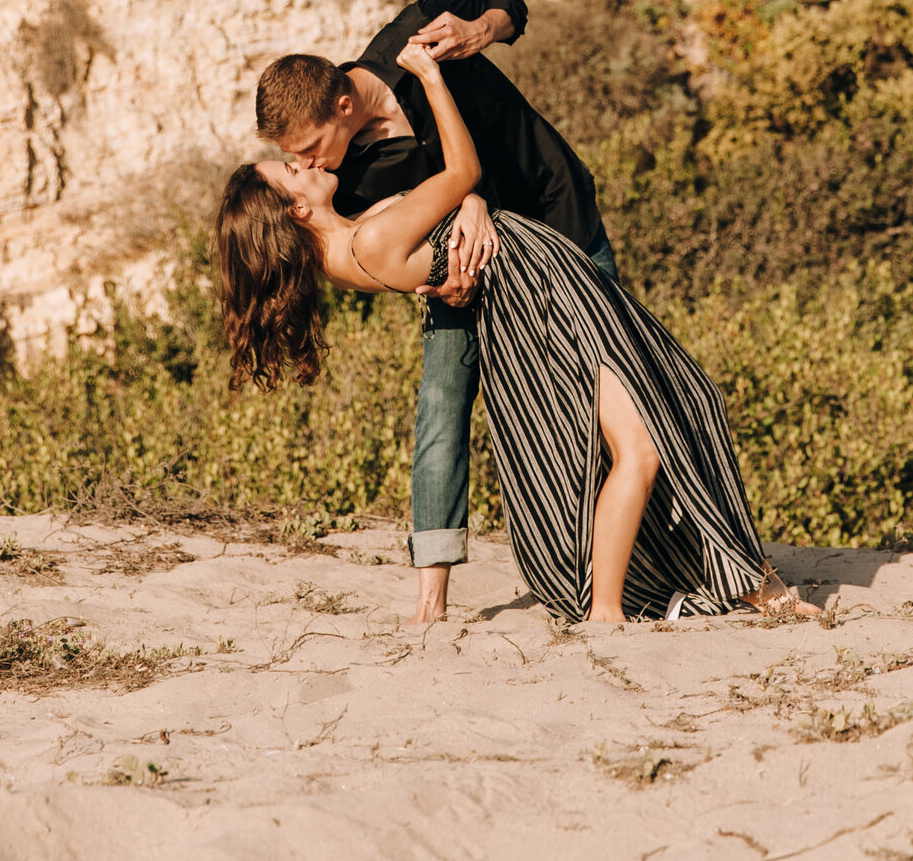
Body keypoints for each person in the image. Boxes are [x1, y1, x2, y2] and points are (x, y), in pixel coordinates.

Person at [219, 39, 817, 624]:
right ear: (296, 209)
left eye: (296, 156)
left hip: (543, 287)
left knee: (666, 417)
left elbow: (446, 207)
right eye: (292, 170)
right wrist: (430, 78)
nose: (305, 164)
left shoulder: (347, 241)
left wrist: (470, 207)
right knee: (644, 441)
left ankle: (721, 585)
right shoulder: (366, 239)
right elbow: (462, 170)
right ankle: (621, 610)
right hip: (544, 299)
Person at [254, 0, 612, 623]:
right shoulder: (348, 177)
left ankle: (632, 556)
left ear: (343, 104)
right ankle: (431, 603)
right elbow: (401, 228)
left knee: (612, 391)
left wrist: (484, 30)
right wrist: (445, 244)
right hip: (469, 271)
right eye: (294, 157)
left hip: (562, 220)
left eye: (310, 147)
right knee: (442, 402)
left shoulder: (417, 36)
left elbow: (510, 4)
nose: (305, 163)